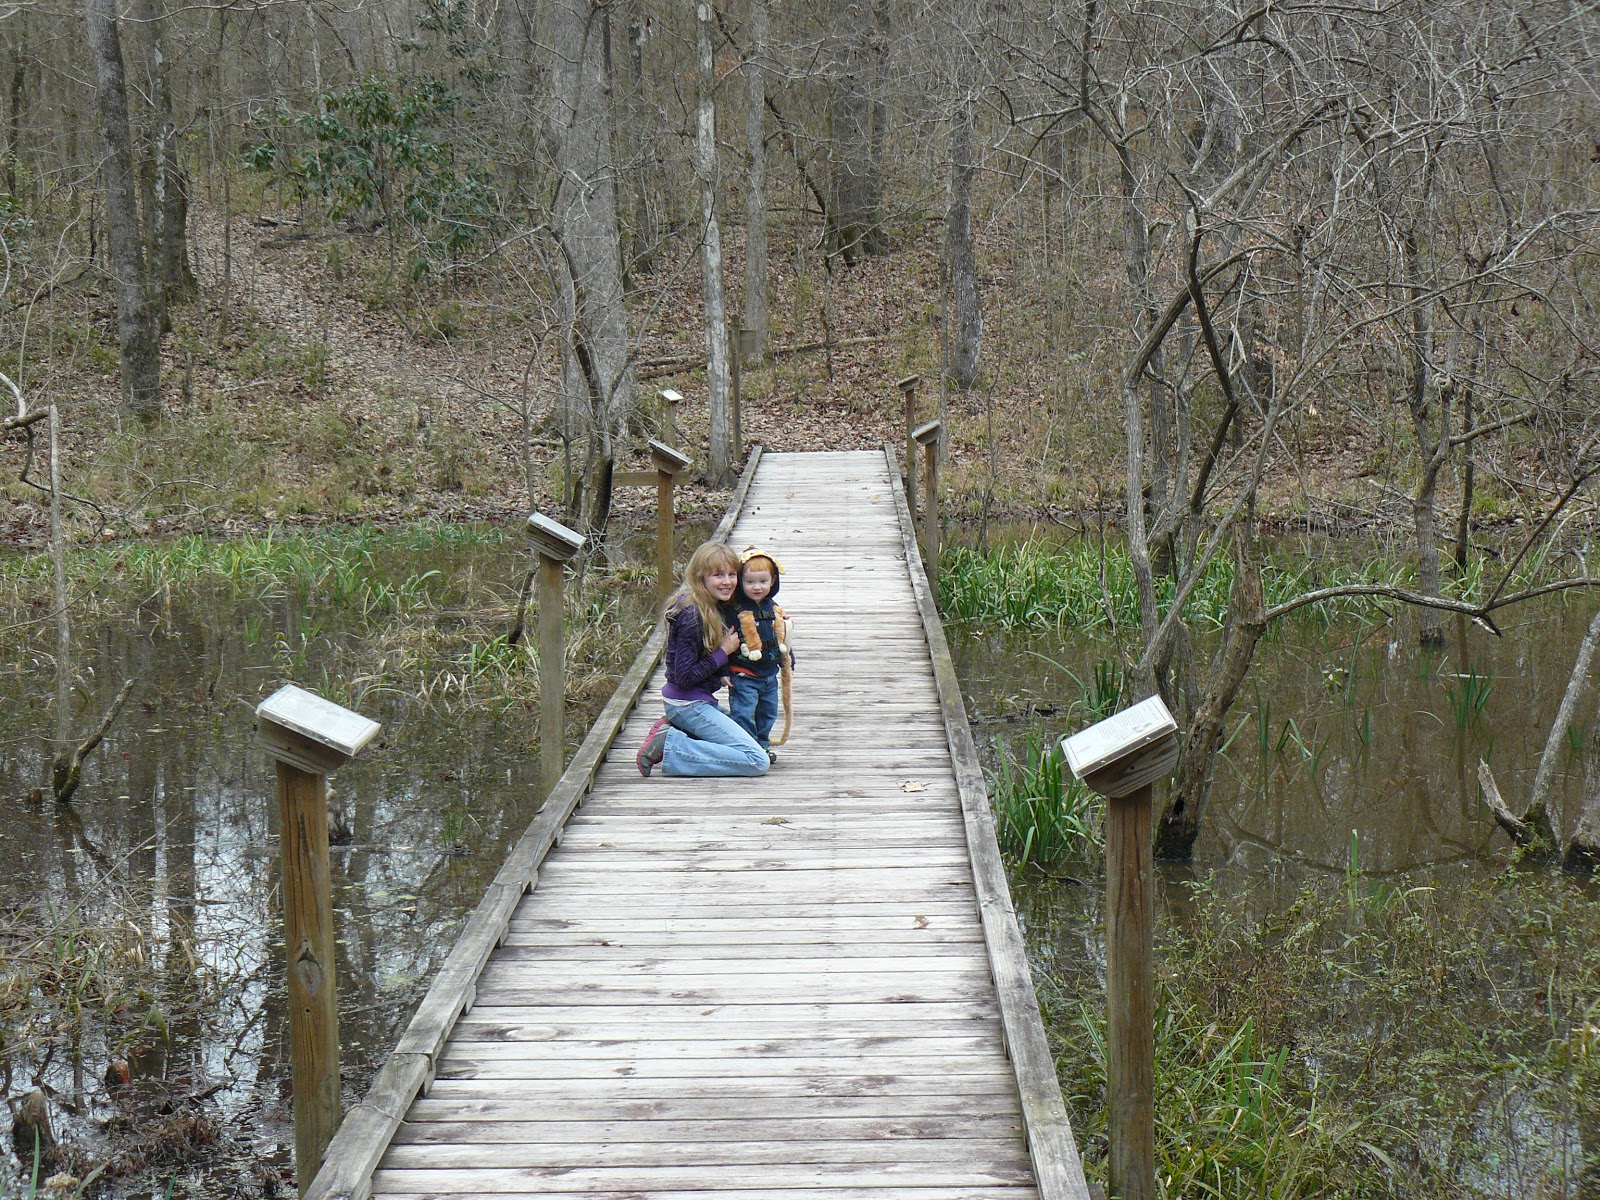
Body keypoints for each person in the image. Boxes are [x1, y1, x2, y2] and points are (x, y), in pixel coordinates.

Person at [635, 541, 770, 778]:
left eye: (731, 574)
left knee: (750, 740)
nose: (727, 581)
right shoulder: (692, 615)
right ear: (701, 577)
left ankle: (676, 731)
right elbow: (683, 678)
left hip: (697, 702)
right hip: (688, 704)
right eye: (718, 575)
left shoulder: (713, 605)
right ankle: (672, 745)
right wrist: (723, 652)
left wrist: (773, 616)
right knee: (756, 760)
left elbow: (752, 602)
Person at [725, 546, 794, 762]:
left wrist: (789, 658)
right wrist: (722, 669)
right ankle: (745, 746)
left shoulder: (774, 608)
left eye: (763, 582)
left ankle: (762, 745)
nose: (757, 587)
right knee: (744, 711)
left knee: (768, 711)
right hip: (743, 673)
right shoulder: (733, 610)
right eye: (750, 582)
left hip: (768, 673)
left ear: (772, 581)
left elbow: (783, 637)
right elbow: (722, 643)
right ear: (740, 581)